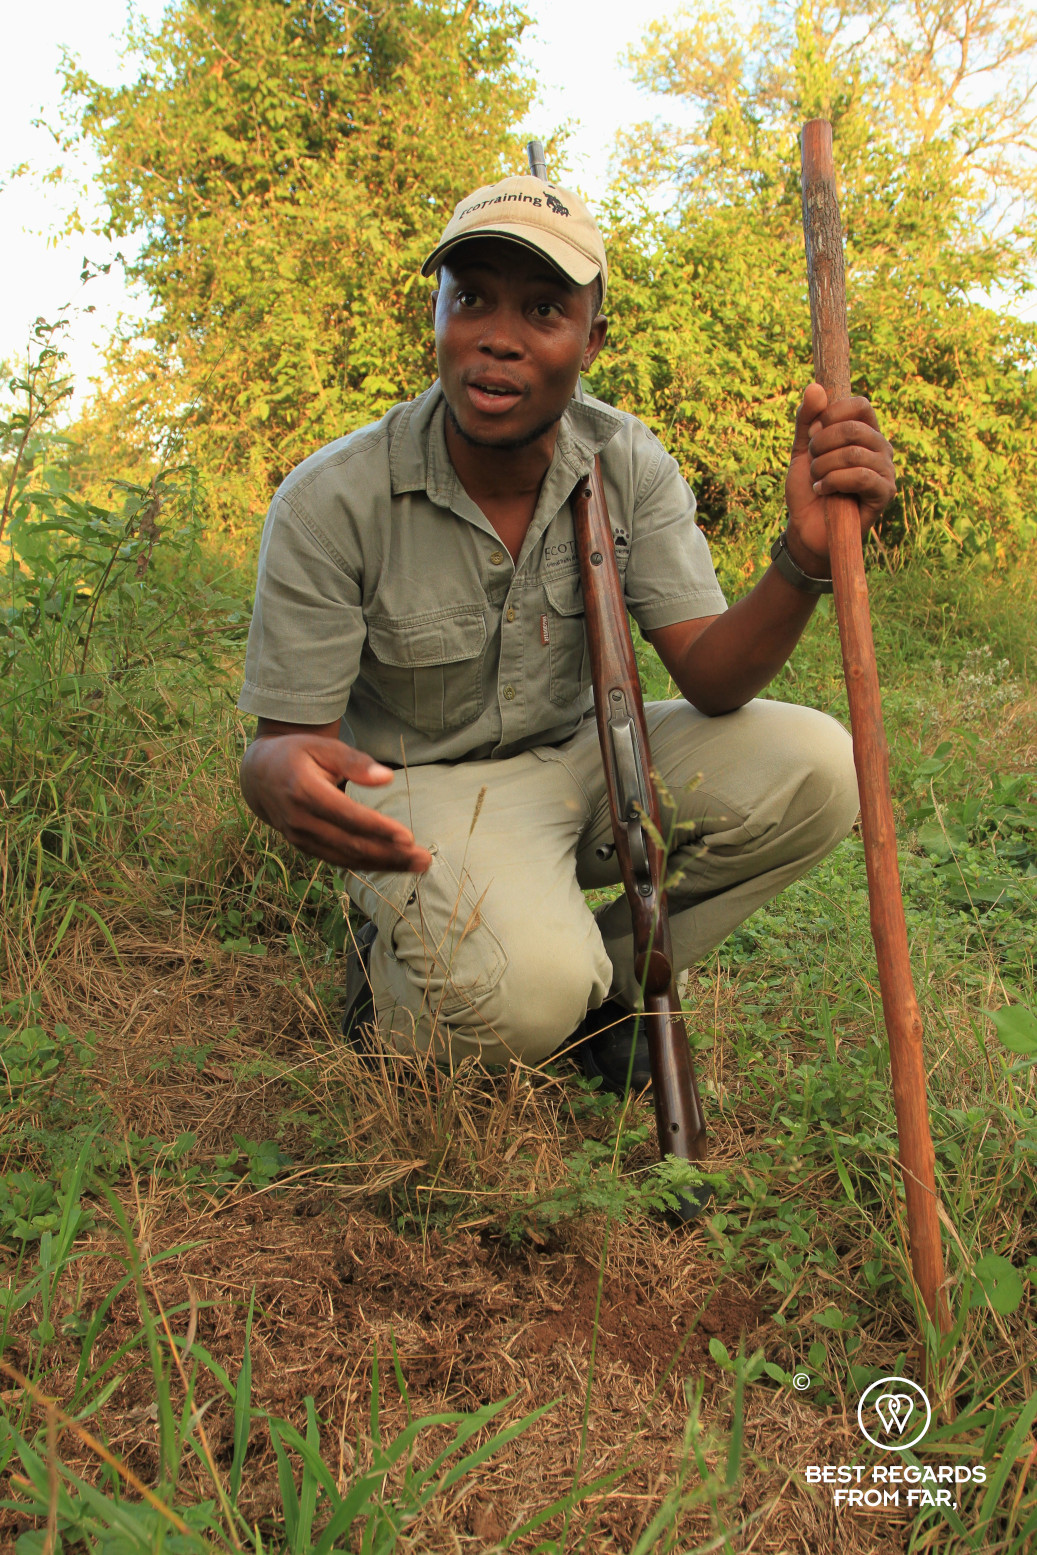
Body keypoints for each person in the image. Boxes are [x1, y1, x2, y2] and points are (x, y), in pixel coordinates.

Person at [237, 173, 895, 1091]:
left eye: (542, 308)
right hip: (428, 796)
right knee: (520, 998)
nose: (497, 336)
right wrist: (274, 774)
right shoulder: (330, 499)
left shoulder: (626, 460)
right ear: (435, 314)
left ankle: (598, 989)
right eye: (470, 299)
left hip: (589, 760)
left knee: (823, 768)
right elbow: (284, 750)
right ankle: (419, 979)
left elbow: (710, 675)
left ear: (591, 339)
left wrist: (803, 556)